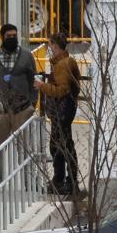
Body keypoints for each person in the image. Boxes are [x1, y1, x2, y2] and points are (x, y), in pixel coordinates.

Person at [34, 32, 81, 195]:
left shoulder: (63, 65)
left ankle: (63, 180)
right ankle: (66, 179)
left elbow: (62, 90)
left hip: (62, 112)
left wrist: (42, 86)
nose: (49, 48)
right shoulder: (66, 62)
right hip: (64, 111)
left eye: (50, 45)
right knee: (62, 145)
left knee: (60, 146)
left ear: (55, 45)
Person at [0, 23, 37, 146]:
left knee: (25, 148)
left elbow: (34, 79)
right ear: (2, 37)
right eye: (8, 36)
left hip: (22, 109)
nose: (12, 38)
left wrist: (33, 102)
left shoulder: (27, 56)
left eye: (14, 36)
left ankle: (25, 166)